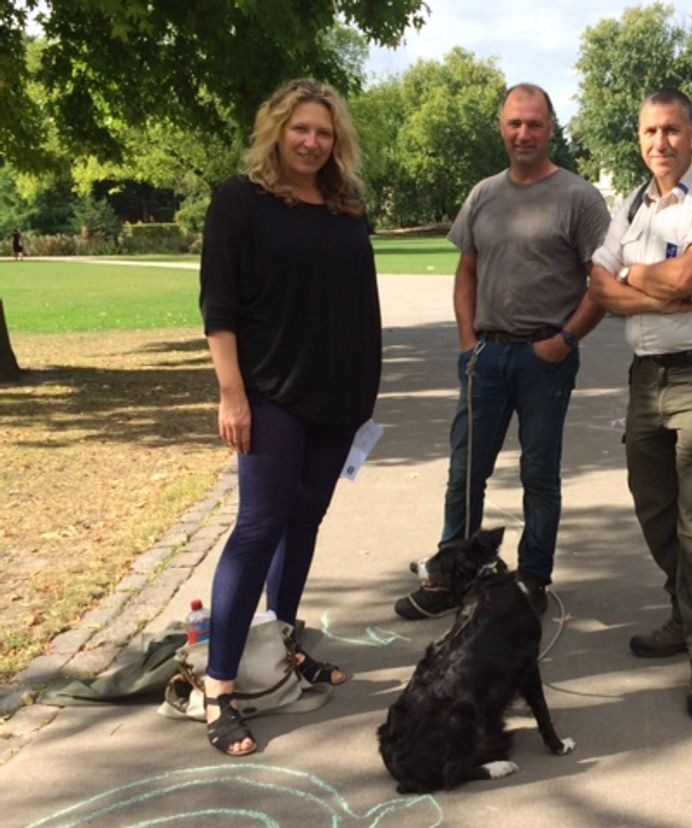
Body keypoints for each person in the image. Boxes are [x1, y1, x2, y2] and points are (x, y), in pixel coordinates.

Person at [198, 78, 382, 755]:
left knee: (304, 520)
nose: (311, 141)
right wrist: (231, 393)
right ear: (277, 129)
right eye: (301, 128)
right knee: (259, 525)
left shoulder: (344, 206)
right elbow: (219, 307)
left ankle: (281, 642)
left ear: (337, 143)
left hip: (338, 398)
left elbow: (358, 299)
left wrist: (365, 391)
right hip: (271, 393)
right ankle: (221, 690)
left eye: (324, 132)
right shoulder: (238, 203)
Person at [393, 83, 610, 620]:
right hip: (486, 358)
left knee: (539, 474)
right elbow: (466, 271)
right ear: (502, 127)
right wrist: (468, 343)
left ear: (551, 128)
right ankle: (449, 579)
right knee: (466, 471)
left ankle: (532, 578)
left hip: (545, 360)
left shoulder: (579, 199)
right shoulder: (484, 194)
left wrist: (564, 342)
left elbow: (603, 283)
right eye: (515, 123)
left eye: (535, 123)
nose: (524, 133)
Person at [587, 87, 692, 718]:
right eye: (650, 132)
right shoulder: (630, 207)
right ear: (639, 139)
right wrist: (651, 289)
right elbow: (598, 288)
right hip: (646, 379)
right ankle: (688, 615)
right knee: (654, 506)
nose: (661, 143)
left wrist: (634, 279)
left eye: (673, 131)